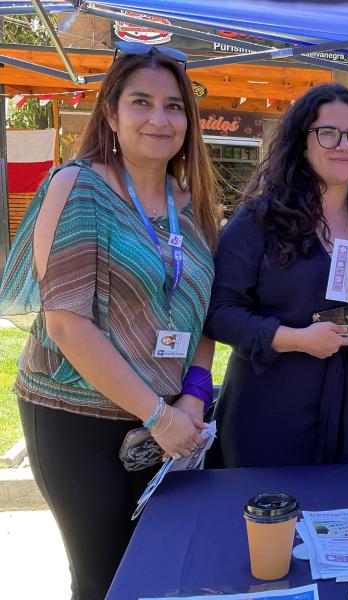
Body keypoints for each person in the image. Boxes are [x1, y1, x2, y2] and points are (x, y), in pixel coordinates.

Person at [0, 43, 220, 600]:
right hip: (79, 422)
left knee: (163, 570)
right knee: (105, 579)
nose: (159, 118)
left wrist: (192, 399)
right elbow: (66, 325)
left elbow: (202, 317)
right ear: (111, 115)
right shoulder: (78, 187)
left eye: (174, 106)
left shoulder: (189, 202)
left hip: (170, 419)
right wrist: (158, 415)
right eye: (141, 102)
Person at [203, 83, 348, 467]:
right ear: (301, 142)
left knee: (336, 519)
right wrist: (294, 339)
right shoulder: (261, 219)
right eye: (328, 133)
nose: (345, 144)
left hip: (347, 410)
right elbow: (219, 312)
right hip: (269, 405)